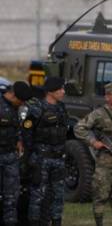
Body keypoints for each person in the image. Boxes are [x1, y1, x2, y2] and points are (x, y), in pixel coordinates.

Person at [74, 82, 112, 226]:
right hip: (106, 161)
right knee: (100, 195)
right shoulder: (99, 114)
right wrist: (93, 142)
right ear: (107, 97)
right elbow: (79, 128)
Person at [21, 77, 68, 226]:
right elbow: (27, 132)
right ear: (50, 92)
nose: (63, 91)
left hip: (58, 159)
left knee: (58, 195)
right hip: (41, 159)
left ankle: (56, 221)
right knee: (38, 195)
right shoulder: (36, 108)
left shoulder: (61, 107)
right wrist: (32, 154)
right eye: (60, 89)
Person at [0, 81, 32, 226]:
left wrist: (19, 140)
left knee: (12, 196)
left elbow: (17, 127)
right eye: (21, 101)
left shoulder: (16, 108)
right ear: (12, 95)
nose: (22, 104)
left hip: (10, 157)